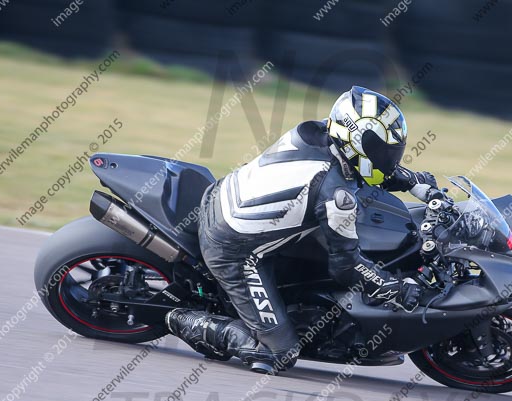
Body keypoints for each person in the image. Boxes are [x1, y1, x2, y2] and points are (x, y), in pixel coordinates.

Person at [166, 86, 437, 374]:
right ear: (357, 140)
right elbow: (346, 266)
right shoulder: (335, 194)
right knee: (281, 352)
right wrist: (392, 288)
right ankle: (178, 319)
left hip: (222, 194)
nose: (389, 156)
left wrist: (415, 183)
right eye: (382, 149)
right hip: (232, 247)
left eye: (393, 149)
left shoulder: (316, 131)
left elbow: (367, 166)